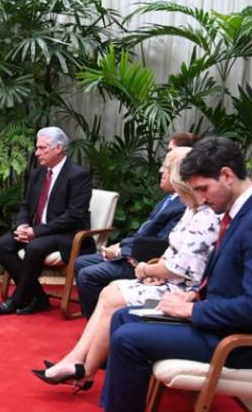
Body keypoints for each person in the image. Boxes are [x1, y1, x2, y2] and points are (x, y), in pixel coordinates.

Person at [67, 136, 252, 412]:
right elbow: (233, 277)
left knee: (129, 339)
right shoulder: (245, 211)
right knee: (123, 319)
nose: (202, 199)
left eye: (204, 189)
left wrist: (193, 309)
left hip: (243, 342)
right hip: (222, 324)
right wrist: (197, 293)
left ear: (226, 174)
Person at [33, 146, 219, 390]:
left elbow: (182, 268)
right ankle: (77, 361)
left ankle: (84, 368)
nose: (161, 170)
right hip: (167, 282)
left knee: (112, 297)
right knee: (108, 291)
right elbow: (171, 253)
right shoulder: (190, 210)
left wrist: (146, 270)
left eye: (167, 167)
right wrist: (154, 269)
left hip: (181, 294)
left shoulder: (206, 216)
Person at [73, 133, 198, 318]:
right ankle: (93, 324)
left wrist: (122, 251)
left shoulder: (187, 206)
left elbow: (160, 244)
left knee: (88, 276)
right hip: (145, 257)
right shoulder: (170, 200)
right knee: (82, 263)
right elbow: (147, 233)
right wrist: (121, 245)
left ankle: (97, 324)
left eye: (169, 162)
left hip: (148, 262)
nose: (162, 169)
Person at [0, 126, 93, 315]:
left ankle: (17, 299)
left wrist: (36, 232)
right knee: (0, 245)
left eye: (42, 148)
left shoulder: (78, 175)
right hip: (36, 231)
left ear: (59, 148)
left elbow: (74, 216)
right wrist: (22, 225)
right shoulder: (38, 173)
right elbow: (26, 205)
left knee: (34, 247)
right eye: (37, 148)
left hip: (67, 234)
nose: (37, 153)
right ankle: (38, 297)